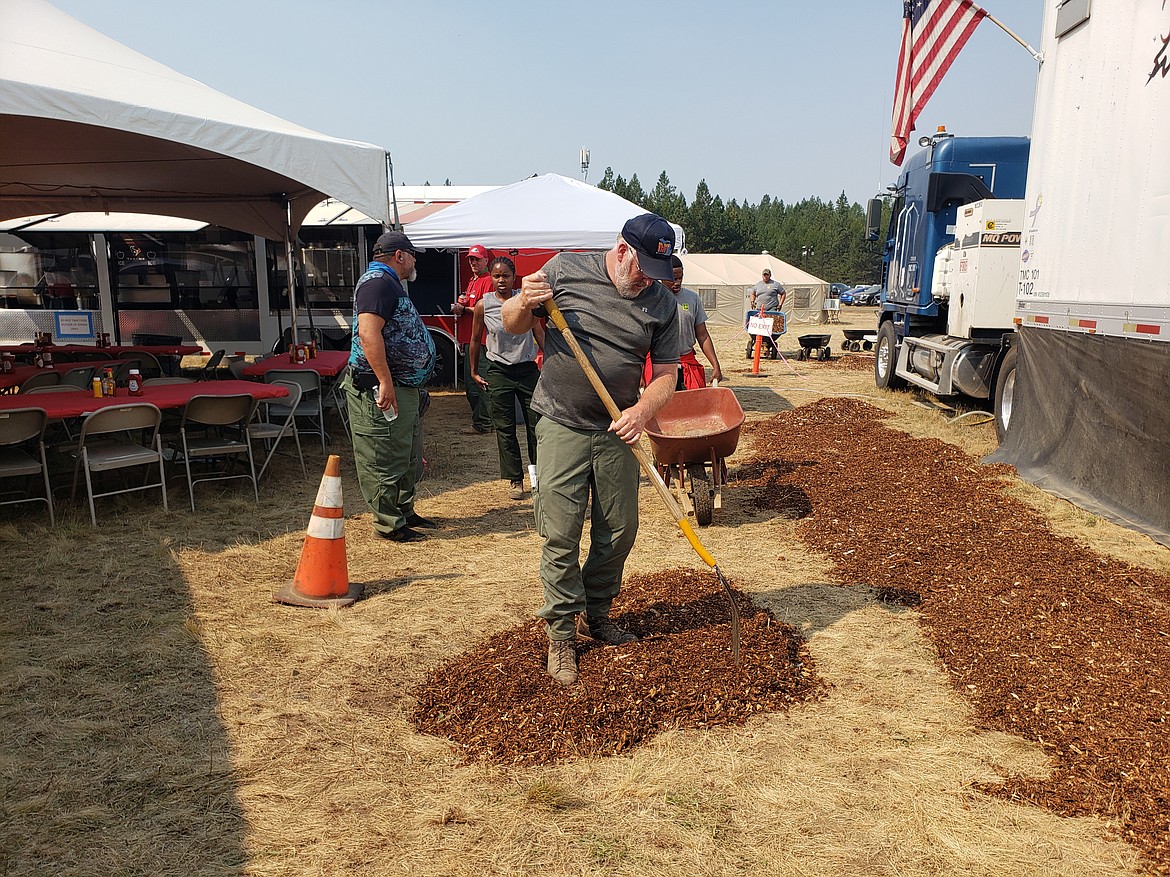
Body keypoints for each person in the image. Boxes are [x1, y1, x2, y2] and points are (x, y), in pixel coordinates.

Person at [502, 213, 680, 686]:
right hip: (561, 420)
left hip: (620, 428)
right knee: (560, 533)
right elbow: (512, 324)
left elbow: (667, 375)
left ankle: (596, 613)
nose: (648, 280)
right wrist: (523, 299)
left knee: (619, 531)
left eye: (657, 273)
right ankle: (561, 634)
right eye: (642, 267)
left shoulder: (661, 304)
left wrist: (641, 412)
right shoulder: (566, 270)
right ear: (622, 250)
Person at [341, 230, 437, 543]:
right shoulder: (377, 283)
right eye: (412, 255)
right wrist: (384, 381)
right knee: (383, 455)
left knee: (406, 453)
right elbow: (369, 334)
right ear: (399, 256)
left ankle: (404, 510)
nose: (414, 261)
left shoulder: (389, 283)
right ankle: (389, 522)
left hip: (401, 384)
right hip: (377, 387)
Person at [469, 256, 545, 500]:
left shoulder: (524, 302)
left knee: (537, 426)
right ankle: (515, 479)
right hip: (499, 369)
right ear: (490, 277)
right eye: (496, 276)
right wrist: (473, 370)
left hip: (527, 369)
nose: (501, 280)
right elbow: (474, 339)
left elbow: (539, 332)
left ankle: (537, 477)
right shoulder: (484, 305)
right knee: (505, 427)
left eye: (506, 276)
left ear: (514, 277)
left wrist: (551, 361)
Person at [643, 255, 723, 390]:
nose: (678, 282)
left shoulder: (692, 299)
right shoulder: (650, 298)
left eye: (680, 278)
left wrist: (716, 365)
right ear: (663, 275)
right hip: (658, 363)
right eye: (673, 278)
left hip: (686, 361)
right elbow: (641, 338)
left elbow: (703, 335)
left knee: (694, 406)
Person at [451, 244, 495, 434]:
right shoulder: (473, 280)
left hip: (483, 340)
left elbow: (488, 310)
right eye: (470, 259)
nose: (473, 262)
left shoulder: (488, 281)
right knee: (471, 384)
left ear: (486, 260)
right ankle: (481, 423)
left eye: (477, 259)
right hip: (471, 339)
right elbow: (472, 306)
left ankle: (485, 424)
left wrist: (463, 309)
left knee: (480, 382)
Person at [745, 267, 786, 358]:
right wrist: (752, 301)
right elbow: (753, 293)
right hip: (760, 310)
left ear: (770, 275)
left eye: (767, 275)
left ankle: (768, 343)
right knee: (758, 328)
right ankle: (759, 342)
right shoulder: (758, 285)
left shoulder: (775, 284)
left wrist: (780, 304)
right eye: (764, 275)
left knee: (771, 329)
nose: (765, 276)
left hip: (772, 311)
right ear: (762, 275)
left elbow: (783, 293)